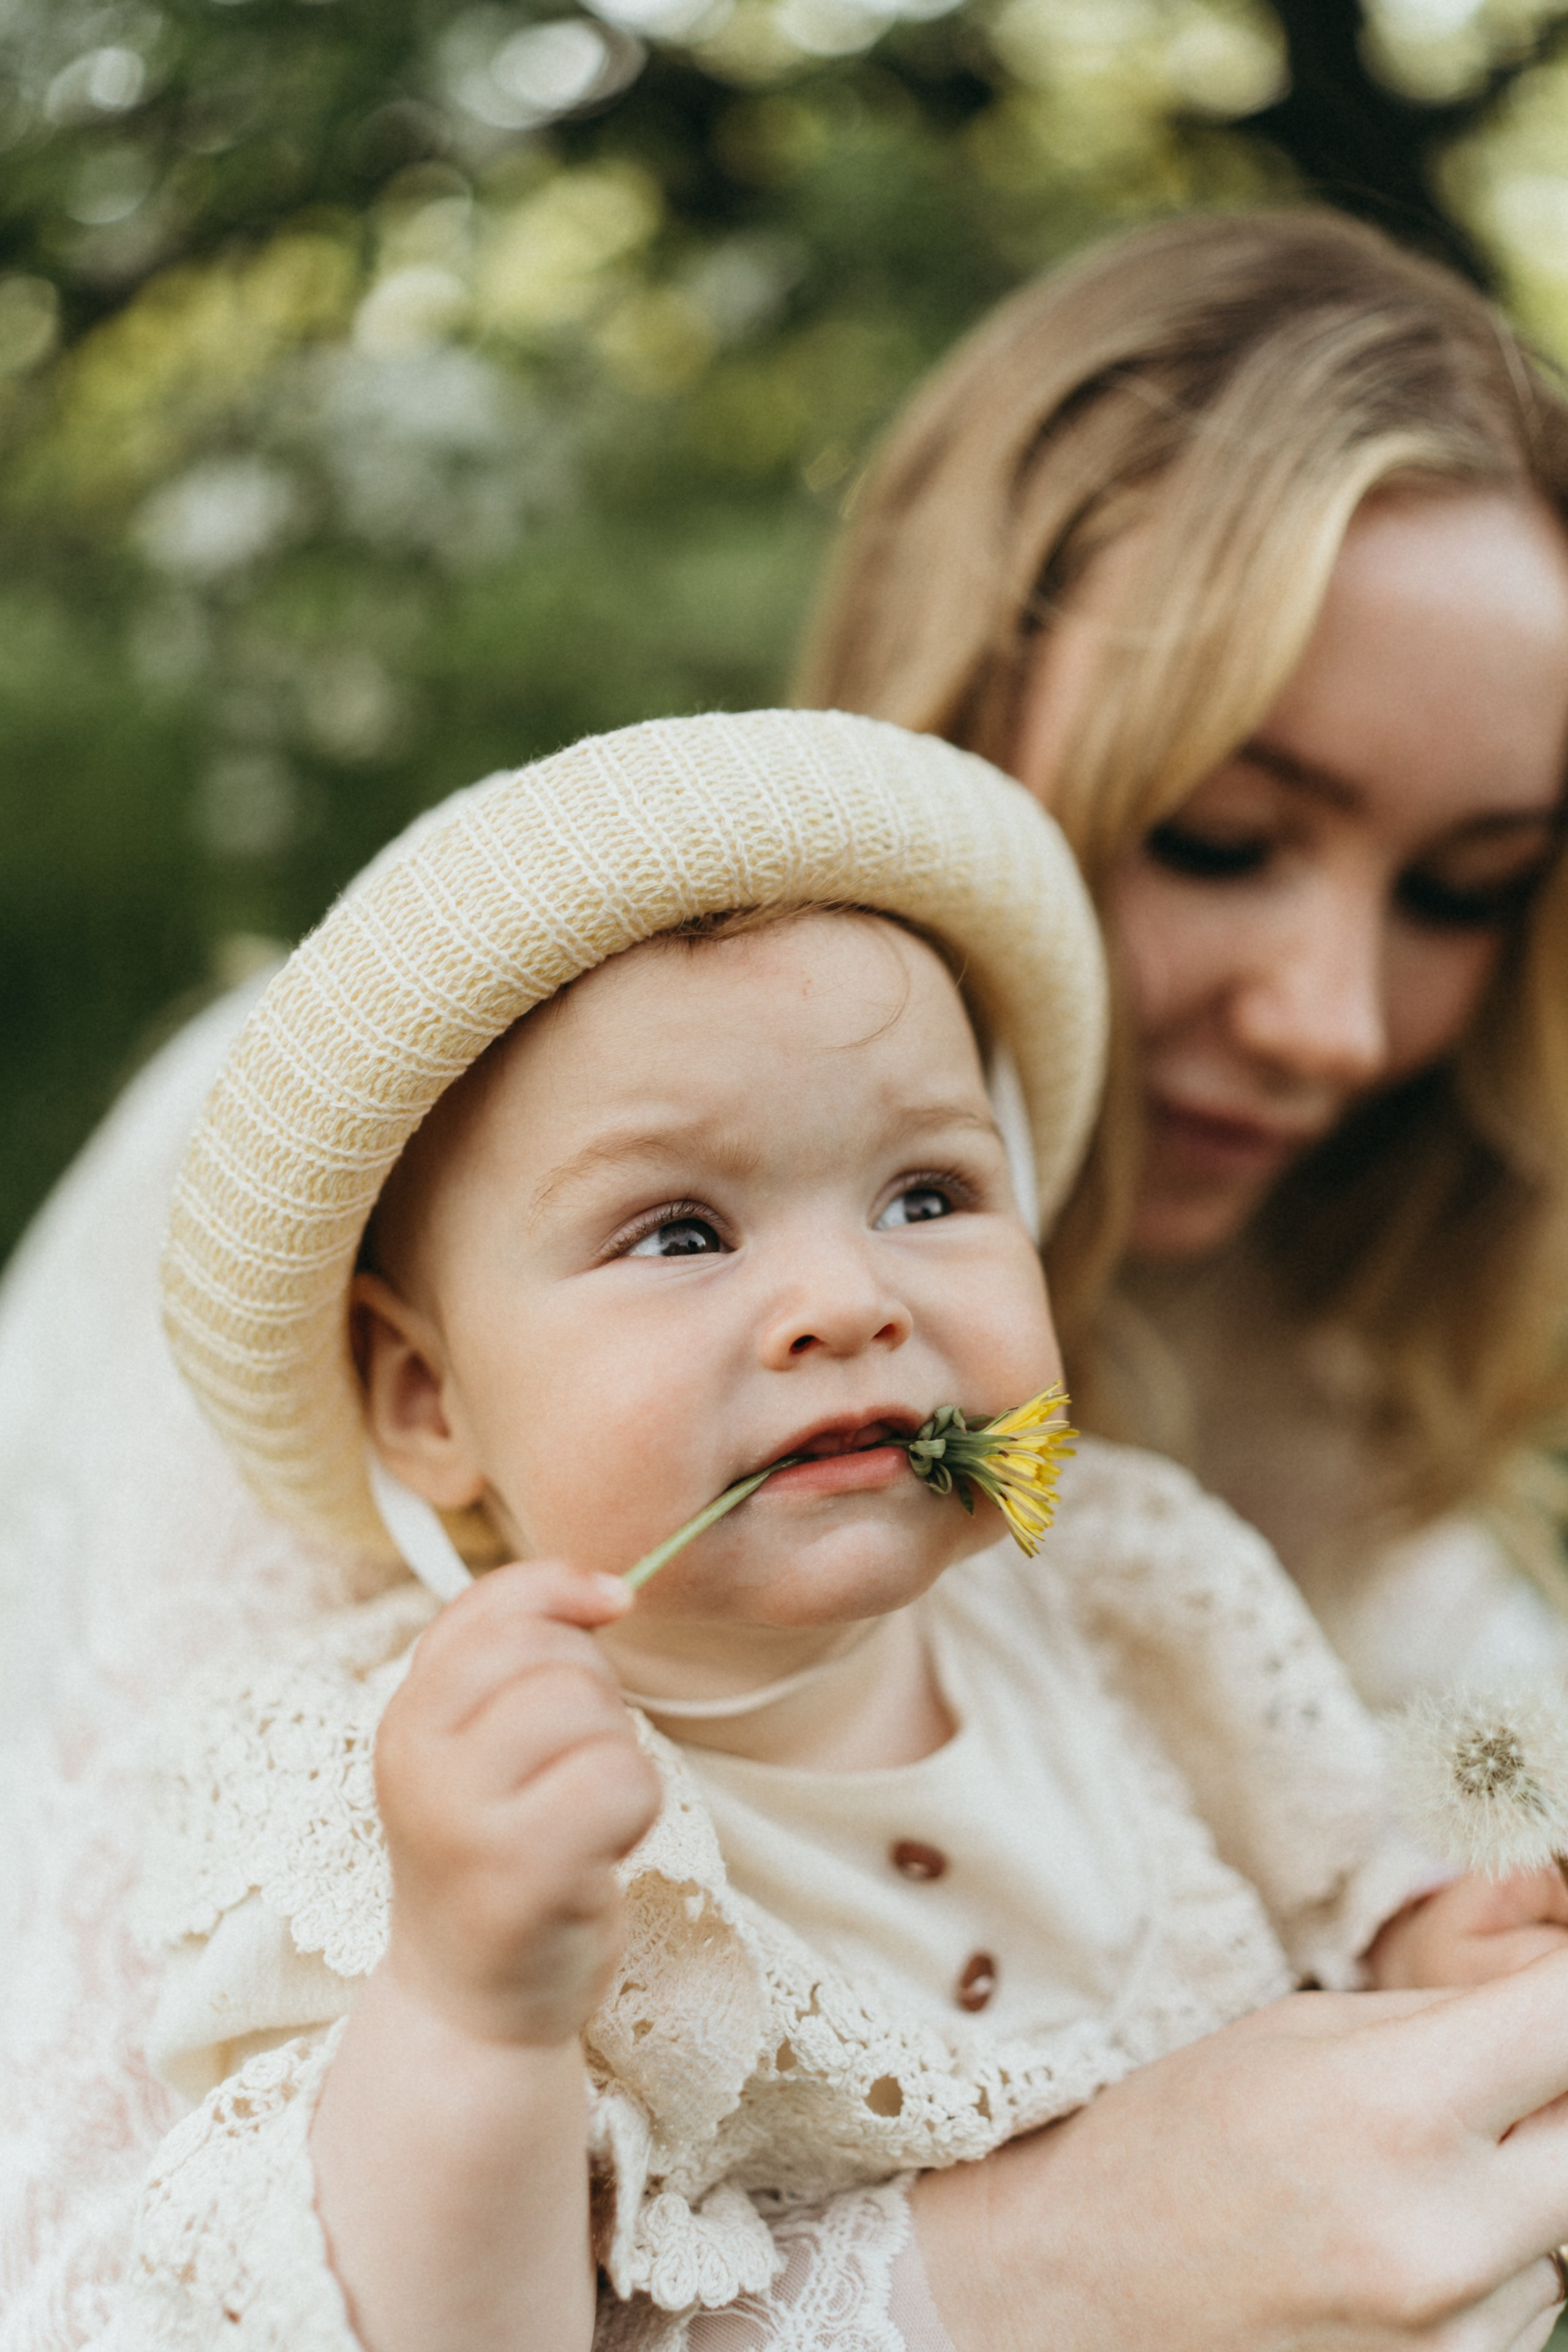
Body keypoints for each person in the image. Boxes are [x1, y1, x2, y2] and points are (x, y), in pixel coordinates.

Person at [120, 709, 1568, 2352]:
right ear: (425, 1397)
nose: (843, 1299)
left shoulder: (1120, 1582)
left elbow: (1340, 1887)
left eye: (928, 1197)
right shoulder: (410, 1812)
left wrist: (1438, 1944)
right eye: (679, 1231)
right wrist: (475, 2010)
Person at [797, 206, 1568, 1708]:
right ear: (948, 713)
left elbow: (1497, 1793)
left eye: (1461, 892)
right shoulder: (392, 1137)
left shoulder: (1316, 1343)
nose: (1327, 1027)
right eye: (1218, 838)